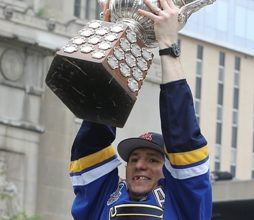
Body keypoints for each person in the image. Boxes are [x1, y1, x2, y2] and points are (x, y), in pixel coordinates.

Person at [69, 0, 212, 219]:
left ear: (169, 171)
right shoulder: (104, 198)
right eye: (133, 159)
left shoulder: (184, 202)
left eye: (153, 160)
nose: (140, 165)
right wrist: (114, 42)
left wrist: (167, 42)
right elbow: (91, 142)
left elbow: (183, 137)